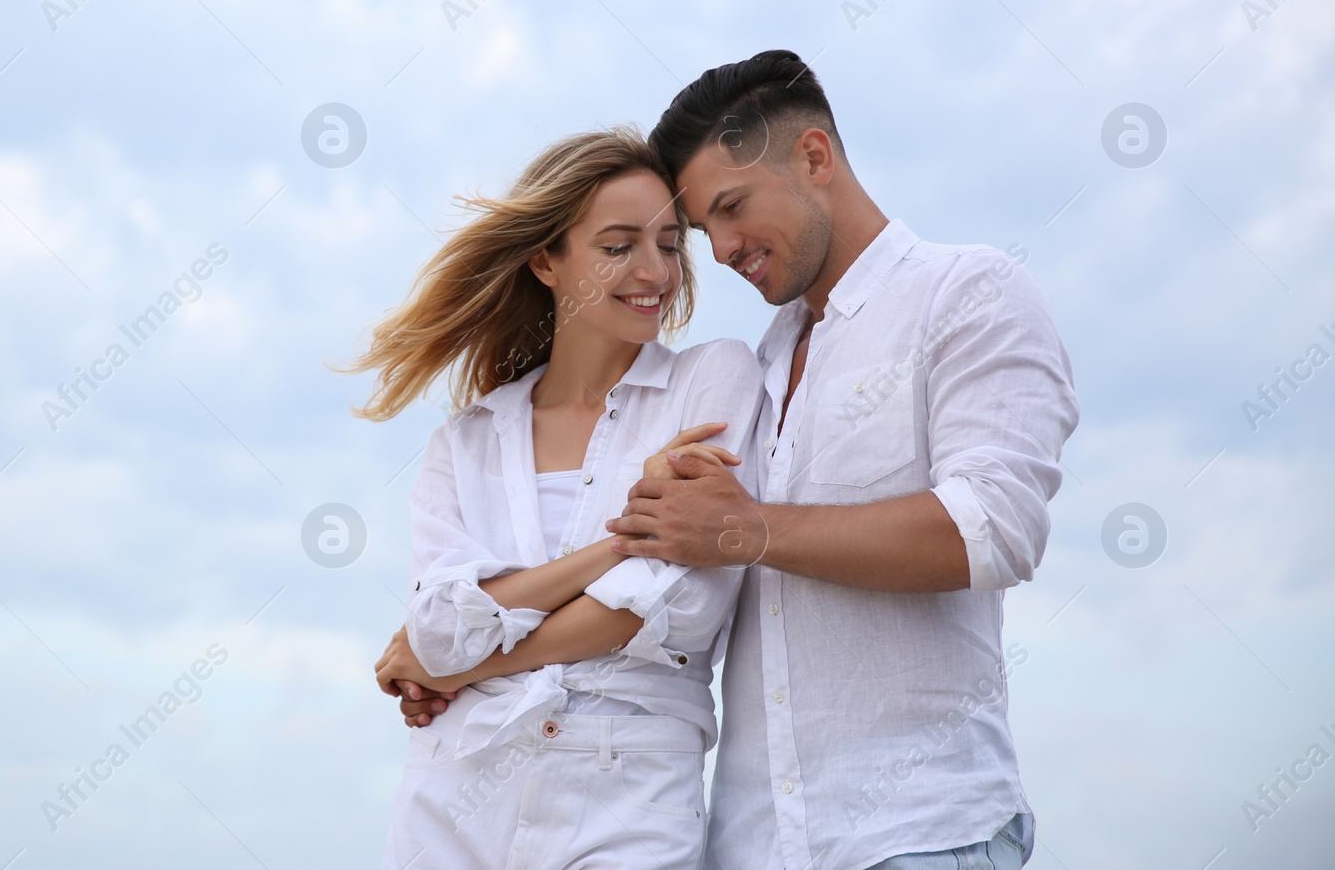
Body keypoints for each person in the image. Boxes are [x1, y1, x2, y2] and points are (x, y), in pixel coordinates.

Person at [402, 51, 1080, 870]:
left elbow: (994, 530)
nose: (718, 249)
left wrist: (743, 530)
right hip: (752, 842)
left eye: (729, 208)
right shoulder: (764, 360)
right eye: (702, 230)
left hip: (919, 831)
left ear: (814, 157)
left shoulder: (964, 293)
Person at [355, 127, 765, 869]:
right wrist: (619, 544)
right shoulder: (468, 439)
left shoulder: (712, 379)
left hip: (627, 794)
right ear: (547, 259)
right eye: (618, 246)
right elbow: (441, 627)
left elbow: (680, 607)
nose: (655, 271)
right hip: (457, 795)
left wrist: (464, 666)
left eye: (669, 243)